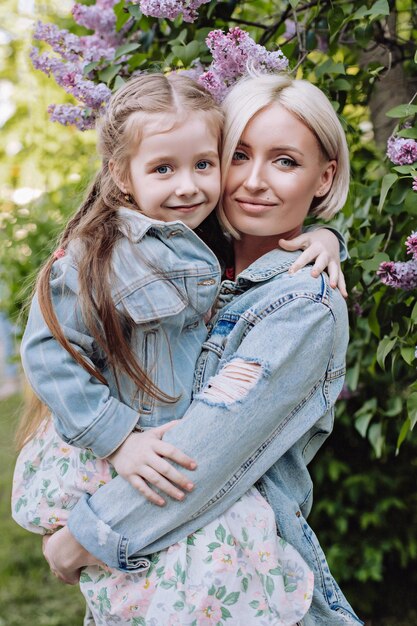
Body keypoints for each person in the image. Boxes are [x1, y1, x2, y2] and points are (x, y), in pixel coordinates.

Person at [12, 73, 344, 625]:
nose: (254, 181)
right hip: (151, 532)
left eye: (285, 161)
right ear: (124, 175)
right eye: (238, 156)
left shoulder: (305, 302)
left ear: (322, 177)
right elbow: (53, 350)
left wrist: (79, 540)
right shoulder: (184, 245)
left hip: (200, 538)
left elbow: (201, 457)